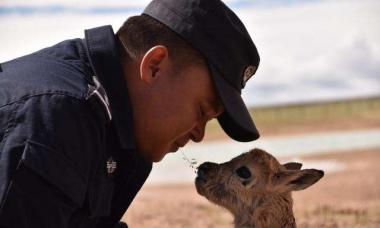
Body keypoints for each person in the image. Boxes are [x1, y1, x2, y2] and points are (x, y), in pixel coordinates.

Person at [0, 0, 260, 227]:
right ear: (155, 66)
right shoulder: (54, 119)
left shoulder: (126, 135)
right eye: (202, 110)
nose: (199, 134)